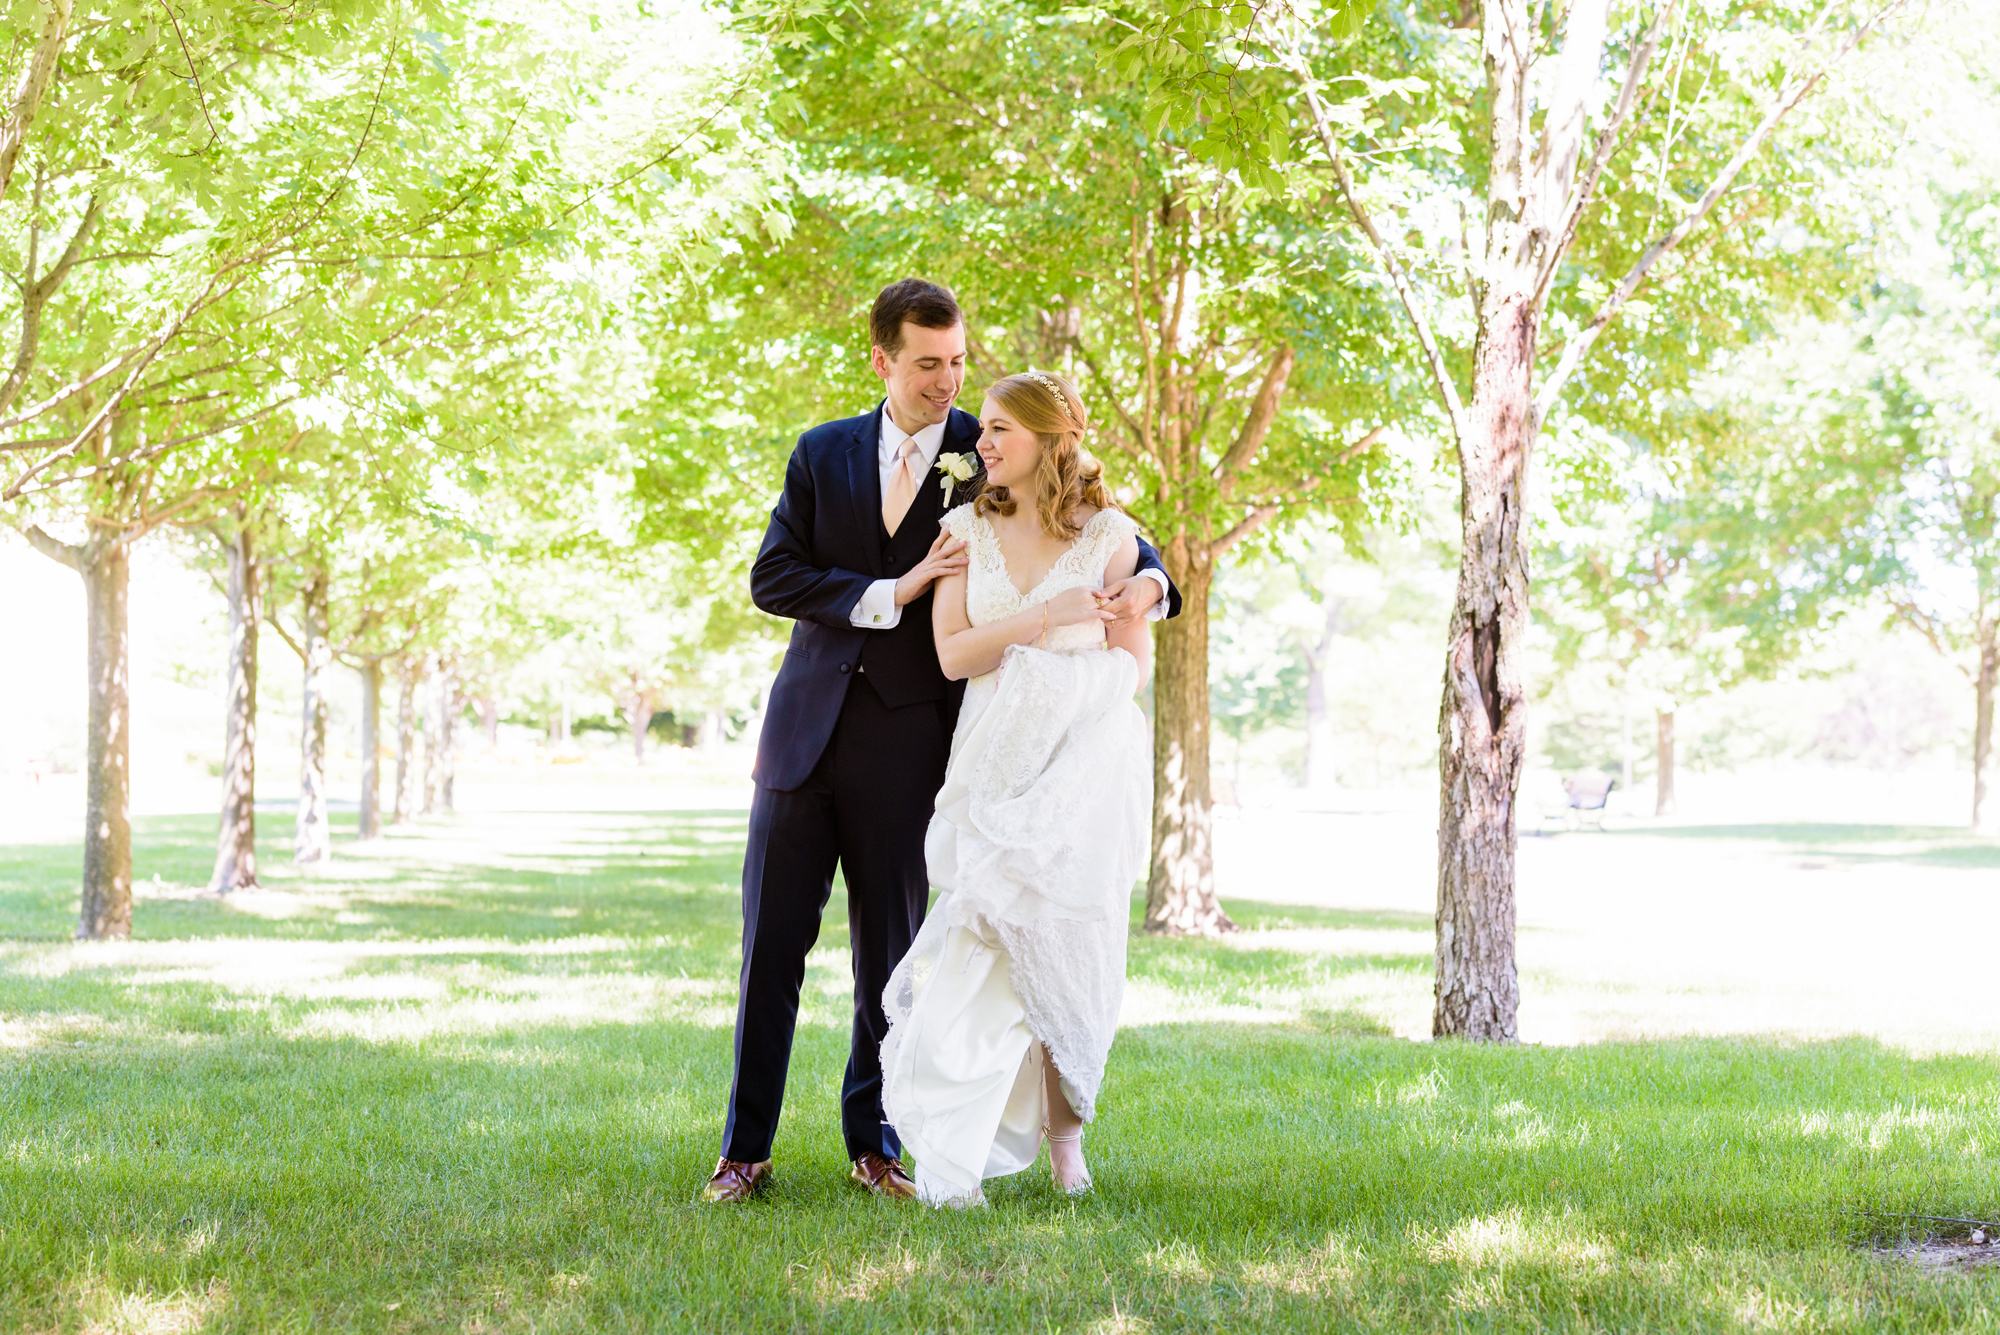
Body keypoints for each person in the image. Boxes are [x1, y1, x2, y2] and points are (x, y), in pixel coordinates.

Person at [701, 280, 1180, 1204]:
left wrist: (1155, 585)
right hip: (802, 738)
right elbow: (774, 576)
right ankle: (743, 1151)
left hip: (912, 745)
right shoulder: (822, 451)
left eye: (958, 361)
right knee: (770, 953)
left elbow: (1104, 525)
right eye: (928, 364)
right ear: (882, 359)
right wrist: (897, 588)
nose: (948, 383)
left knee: (890, 959)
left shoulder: (988, 445)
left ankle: (876, 1145)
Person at [880, 368, 1151, 1206]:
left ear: (1049, 438)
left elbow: (1132, 667)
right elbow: (954, 655)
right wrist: (1046, 620)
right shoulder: (963, 526)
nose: (982, 442)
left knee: (1076, 942)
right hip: (993, 759)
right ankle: (951, 1136)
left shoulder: (1111, 535)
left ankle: (1067, 1140)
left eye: (999, 429)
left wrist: (1066, 678)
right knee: (983, 938)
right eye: (983, 428)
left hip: (1084, 767)